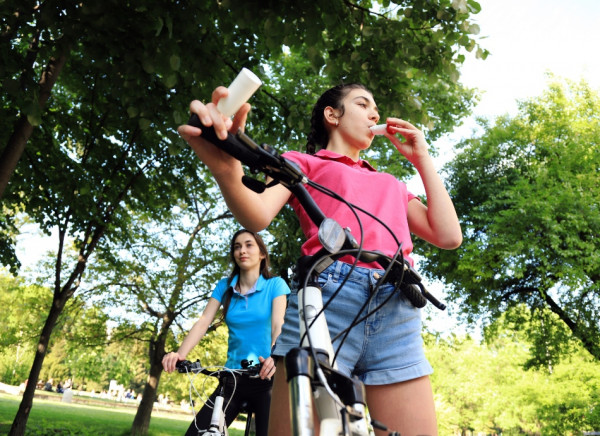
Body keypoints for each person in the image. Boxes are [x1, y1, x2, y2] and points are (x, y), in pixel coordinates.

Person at [177, 83, 462, 436]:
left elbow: (449, 235)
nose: (375, 114)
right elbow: (258, 214)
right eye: (363, 104)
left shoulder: (391, 183)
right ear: (332, 115)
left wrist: (422, 158)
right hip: (325, 301)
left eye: (376, 107)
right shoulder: (300, 163)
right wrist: (226, 172)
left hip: (396, 306)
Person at [162, 229, 290, 436]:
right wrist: (180, 354)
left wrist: (274, 357)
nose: (242, 250)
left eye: (249, 245)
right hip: (232, 378)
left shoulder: (275, 285)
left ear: (262, 254)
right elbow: (204, 322)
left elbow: (278, 324)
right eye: (237, 247)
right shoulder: (224, 287)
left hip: (267, 378)